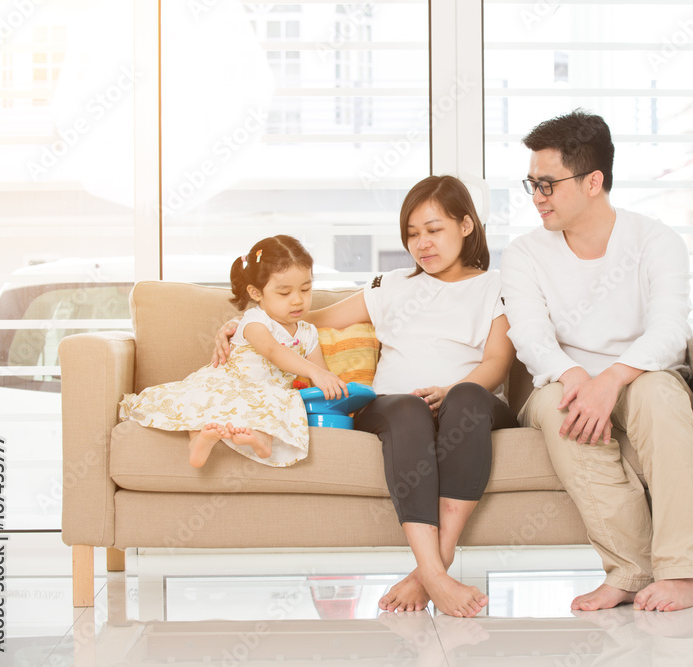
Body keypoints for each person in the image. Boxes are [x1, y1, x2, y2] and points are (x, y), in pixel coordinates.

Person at [212, 176, 518, 618]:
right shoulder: (391, 285)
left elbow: (497, 362)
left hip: (469, 404)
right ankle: (435, 573)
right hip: (397, 408)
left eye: (434, 230)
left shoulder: (497, 286)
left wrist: (450, 390)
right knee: (408, 407)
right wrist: (248, 325)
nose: (422, 244)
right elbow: (306, 319)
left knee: (468, 398)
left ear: (466, 225)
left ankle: (432, 569)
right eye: (412, 234)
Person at [500, 110, 693, 613]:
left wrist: (612, 378)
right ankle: (631, 571)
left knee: (660, 397)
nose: (537, 197)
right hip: (559, 381)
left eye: (547, 185)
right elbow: (529, 335)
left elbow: (669, 329)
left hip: (641, 374)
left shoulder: (656, 241)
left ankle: (681, 574)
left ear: (594, 181)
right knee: (563, 409)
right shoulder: (524, 253)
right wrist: (576, 375)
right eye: (531, 184)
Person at [120, 235, 347, 469]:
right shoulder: (254, 322)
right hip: (231, 381)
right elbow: (272, 351)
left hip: (269, 391)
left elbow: (321, 374)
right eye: (284, 293)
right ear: (256, 293)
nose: (297, 300)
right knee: (201, 399)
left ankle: (262, 440)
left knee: (280, 402)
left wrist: (327, 382)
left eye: (306, 289)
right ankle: (199, 442)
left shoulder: (308, 332)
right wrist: (312, 371)